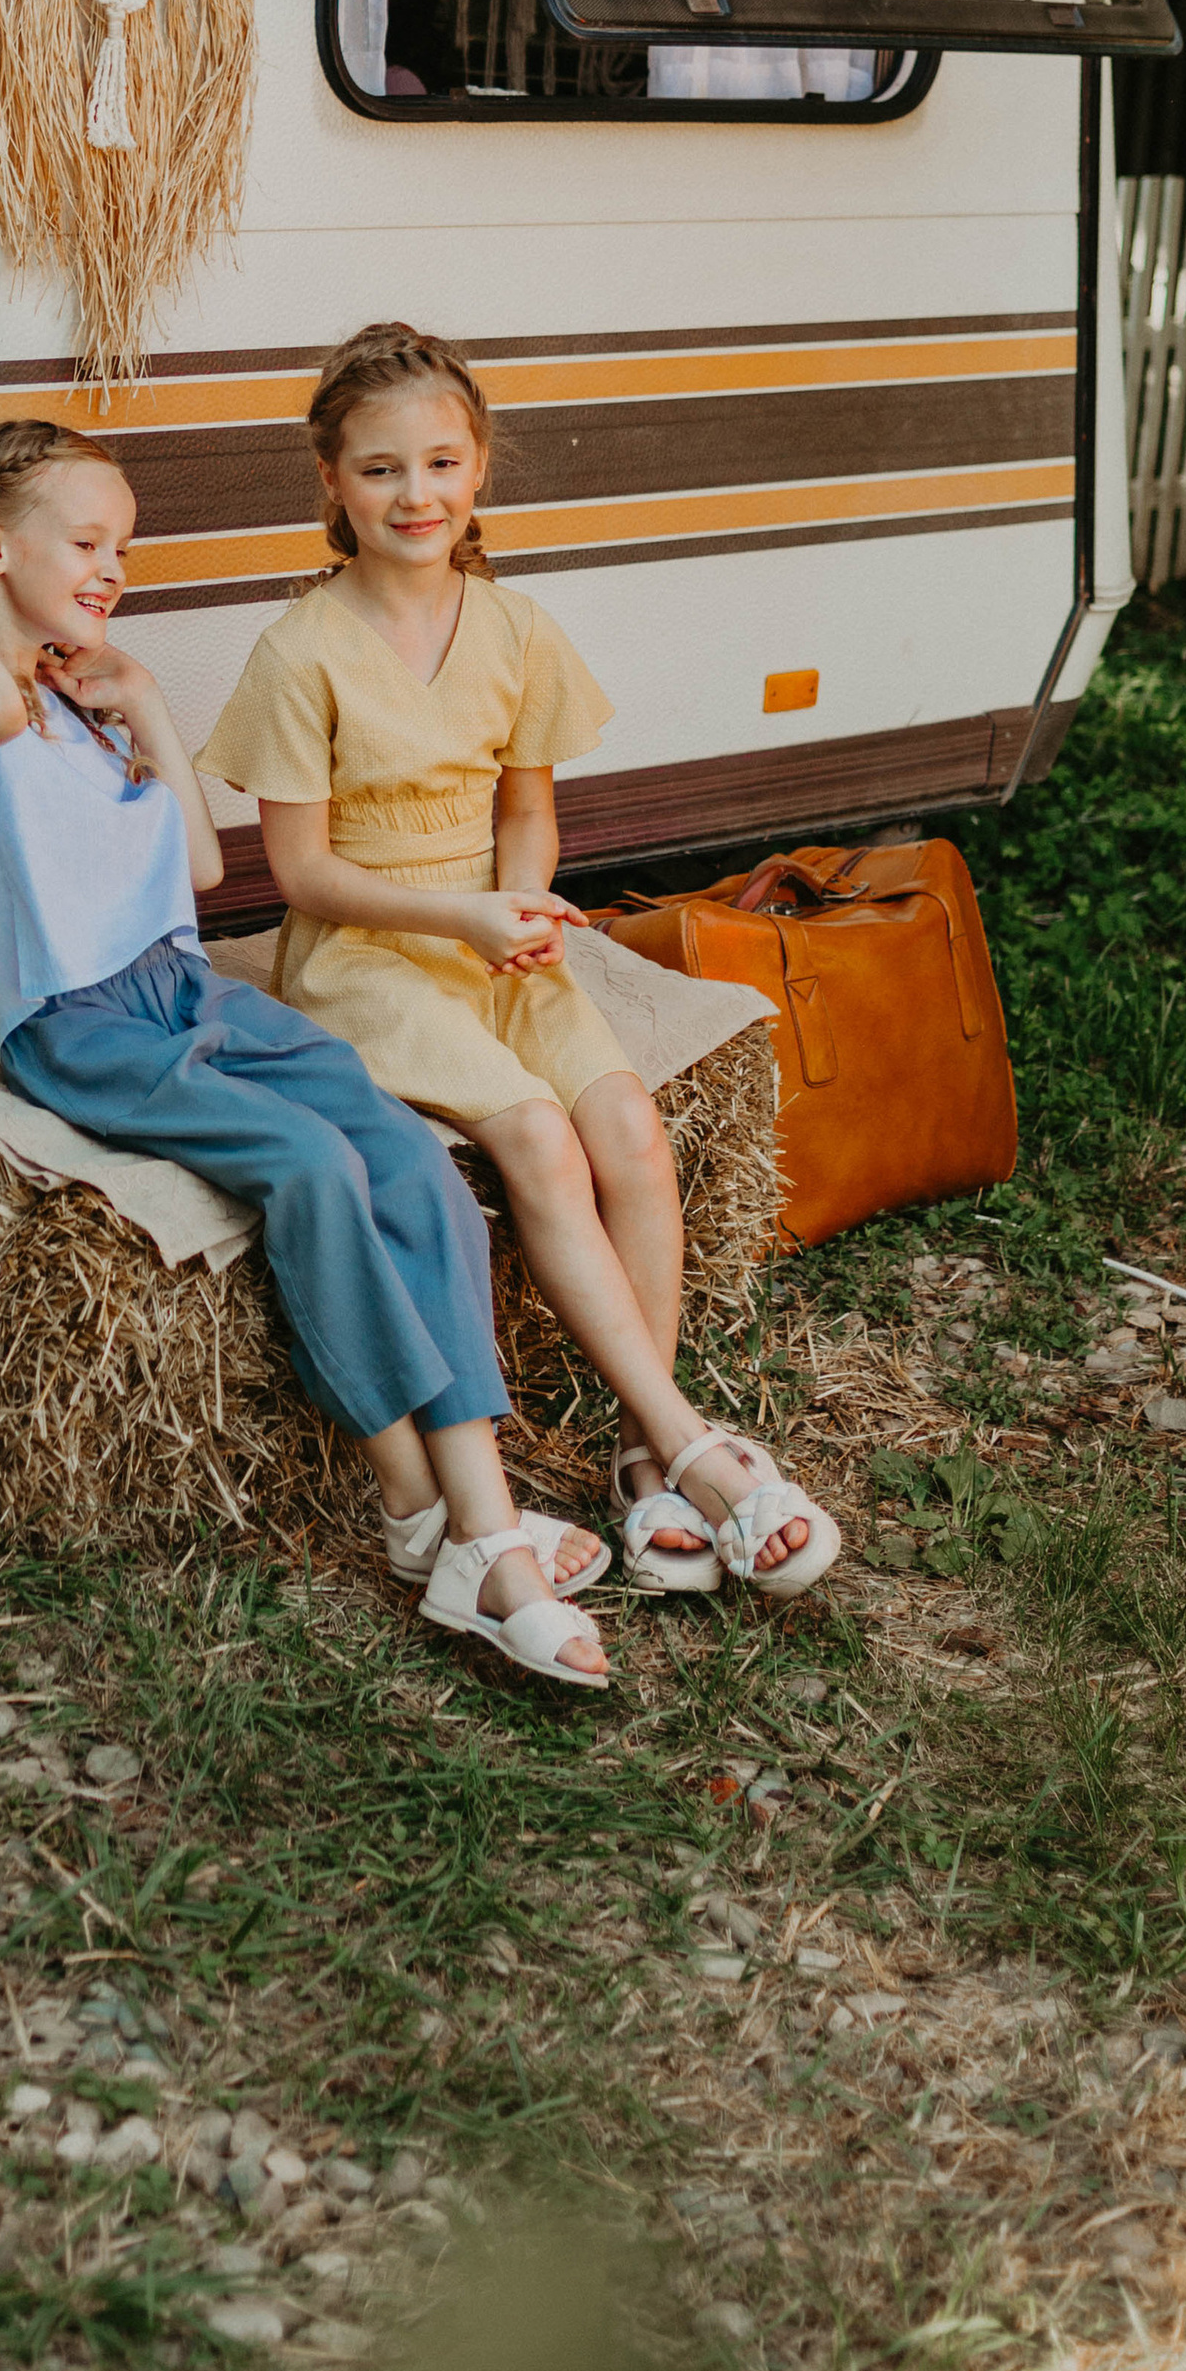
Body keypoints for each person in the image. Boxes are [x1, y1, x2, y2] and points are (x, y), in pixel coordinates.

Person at [0, 417, 614, 1686]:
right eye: (88, 544)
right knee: (307, 1166)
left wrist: (141, 702)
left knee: (401, 1152)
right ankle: (437, 1516)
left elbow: (197, 868)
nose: (111, 571)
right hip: (76, 1021)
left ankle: (469, 1520)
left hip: (184, 987)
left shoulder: (82, 712)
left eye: (123, 551)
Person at [197, 323, 838, 1600]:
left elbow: (527, 809)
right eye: (380, 469)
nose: (415, 494)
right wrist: (465, 920)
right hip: (372, 955)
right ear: (330, 481)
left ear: (479, 465)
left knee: (632, 1131)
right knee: (539, 1139)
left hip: (499, 935)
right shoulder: (300, 650)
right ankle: (693, 1449)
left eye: (441, 463)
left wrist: (525, 899)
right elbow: (301, 874)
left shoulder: (515, 627)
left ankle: (644, 1455)